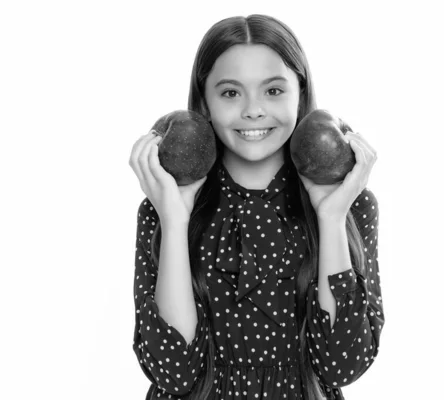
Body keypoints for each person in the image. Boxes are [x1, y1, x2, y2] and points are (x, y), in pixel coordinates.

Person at [128, 14, 383, 400]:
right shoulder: (163, 208)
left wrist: (330, 218)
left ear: (301, 91)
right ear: (206, 103)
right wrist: (174, 221)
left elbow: (340, 365)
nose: (253, 110)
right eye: (231, 93)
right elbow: (175, 373)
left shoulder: (351, 203)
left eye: (273, 91)